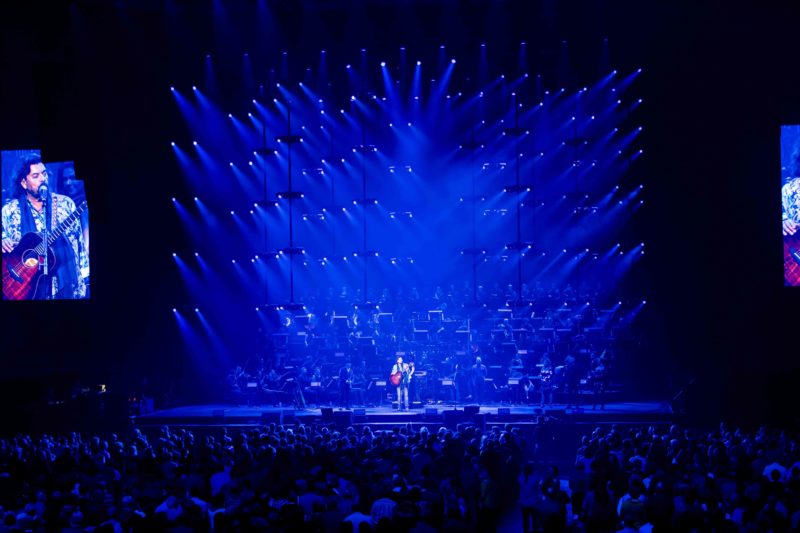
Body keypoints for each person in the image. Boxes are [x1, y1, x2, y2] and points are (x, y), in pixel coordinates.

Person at [2, 153, 88, 299]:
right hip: (28, 291)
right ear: (24, 183)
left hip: (67, 288)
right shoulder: (9, 211)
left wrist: (86, 278)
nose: (42, 179)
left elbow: (79, 244)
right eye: (35, 176)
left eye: (44, 173)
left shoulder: (65, 204)